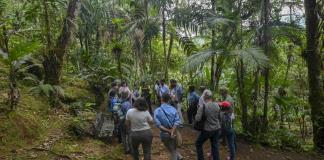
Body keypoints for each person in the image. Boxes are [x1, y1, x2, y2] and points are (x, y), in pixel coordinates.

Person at [154, 94, 183, 160]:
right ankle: (178, 156)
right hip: (174, 133)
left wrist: (168, 131)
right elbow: (177, 121)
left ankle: (178, 156)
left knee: (172, 150)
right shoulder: (173, 109)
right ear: (168, 100)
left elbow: (158, 125)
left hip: (164, 134)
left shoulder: (157, 111)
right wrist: (172, 131)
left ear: (161, 99)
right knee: (173, 148)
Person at [195, 90, 221, 160]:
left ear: (204, 97)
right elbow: (218, 116)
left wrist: (198, 110)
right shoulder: (217, 105)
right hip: (217, 128)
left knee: (198, 143)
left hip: (207, 130)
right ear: (211, 97)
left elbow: (197, 119)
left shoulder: (203, 107)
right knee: (215, 146)